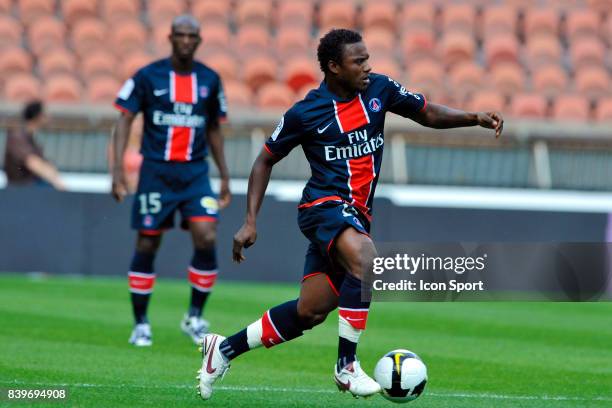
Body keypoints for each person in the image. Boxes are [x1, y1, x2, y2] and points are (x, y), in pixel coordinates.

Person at [197, 29, 503, 399]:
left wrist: (473, 117)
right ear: (333, 66)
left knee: (310, 310)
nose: (367, 66)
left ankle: (224, 349)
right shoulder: (305, 112)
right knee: (367, 260)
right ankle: (346, 366)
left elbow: (427, 113)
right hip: (322, 207)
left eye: (367, 58)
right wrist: (250, 220)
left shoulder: (380, 90)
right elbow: (265, 160)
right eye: (358, 61)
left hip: (355, 216)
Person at [112, 15, 231, 347]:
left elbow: (215, 129)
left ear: (199, 40)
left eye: (191, 35)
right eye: (180, 35)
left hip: (195, 172)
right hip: (156, 173)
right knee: (148, 243)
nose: (185, 40)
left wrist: (223, 174)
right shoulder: (148, 76)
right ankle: (141, 323)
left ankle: (194, 316)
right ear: (170, 37)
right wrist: (118, 171)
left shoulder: (210, 79)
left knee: (206, 236)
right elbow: (124, 119)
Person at [3, 100, 65, 190]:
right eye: (44, 115)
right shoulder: (17, 137)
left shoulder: (32, 140)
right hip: (19, 191)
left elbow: (45, 165)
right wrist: (58, 183)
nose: (48, 117)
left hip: (31, 188)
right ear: (37, 116)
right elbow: (33, 163)